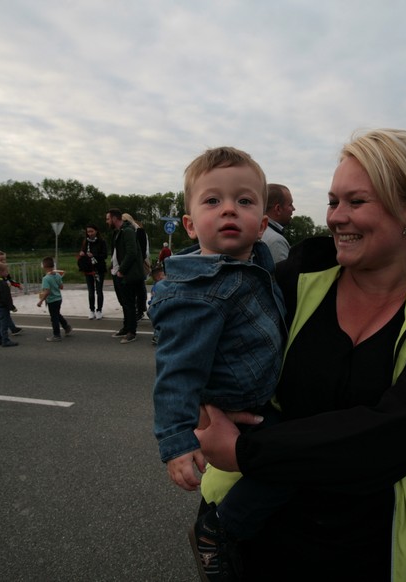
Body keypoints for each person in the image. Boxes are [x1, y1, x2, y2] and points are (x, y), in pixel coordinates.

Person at [194, 128, 406, 581]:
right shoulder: (292, 279)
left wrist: (245, 450)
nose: (336, 218)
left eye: (356, 201)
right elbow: (209, 352)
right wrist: (204, 404)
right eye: (333, 201)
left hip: (368, 548)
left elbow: (390, 437)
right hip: (254, 534)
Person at [149, 146, 287, 581]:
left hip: (258, 395)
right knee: (290, 466)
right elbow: (176, 371)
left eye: (244, 201)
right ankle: (219, 530)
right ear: (190, 224)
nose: (229, 209)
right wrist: (176, 440)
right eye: (212, 200)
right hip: (238, 404)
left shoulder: (253, 261)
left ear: (261, 225)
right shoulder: (196, 294)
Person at [106, 208, 144, 343]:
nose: (107, 221)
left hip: (127, 274)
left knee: (129, 304)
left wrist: (122, 270)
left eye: (108, 219)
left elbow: (132, 252)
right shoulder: (118, 232)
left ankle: (131, 332)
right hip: (118, 272)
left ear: (114, 218)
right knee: (124, 303)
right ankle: (126, 327)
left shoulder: (127, 231)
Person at [36, 256, 73, 342]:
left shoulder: (46, 278)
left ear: (45, 267)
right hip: (58, 299)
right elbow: (61, 287)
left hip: (52, 300)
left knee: (54, 318)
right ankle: (66, 327)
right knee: (57, 314)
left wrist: (41, 301)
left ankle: (56, 335)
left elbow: (47, 291)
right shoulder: (57, 275)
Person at [123, 213, 151, 320]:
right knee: (134, 287)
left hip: (139, 263)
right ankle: (136, 308)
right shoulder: (128, 231)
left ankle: (140, 309)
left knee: (139, 287)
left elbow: (143, 249)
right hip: (131, 263)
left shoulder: (139, 231)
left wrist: (140, 261)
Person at [78, 224, 108, 320]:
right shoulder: (85, 242)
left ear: (96, 231)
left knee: (99, 291)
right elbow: (83, 252)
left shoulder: (102, 242)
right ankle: (91, 310)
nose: (90, 233)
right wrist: (82, 254)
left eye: (92, 231)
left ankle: (99, 310)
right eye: (88, 232)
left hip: (99, 269)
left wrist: (94, 255)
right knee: (90, 291)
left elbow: (105, 255)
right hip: (88, 269)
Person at [259, 183, 294, 262]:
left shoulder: (255, 233)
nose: (294, 208)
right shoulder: (276, 242)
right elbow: (283, 271)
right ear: (278, 209)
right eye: (290, 204)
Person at [147, 265, 166, 345]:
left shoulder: (157, 286)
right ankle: (156, 337)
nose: (166, 276)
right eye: (164, 275)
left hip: (155, 307)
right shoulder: (158, 287)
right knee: (160, 323)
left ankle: (158, 336)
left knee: (160, 323)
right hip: (157, 308)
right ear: (159, 278)